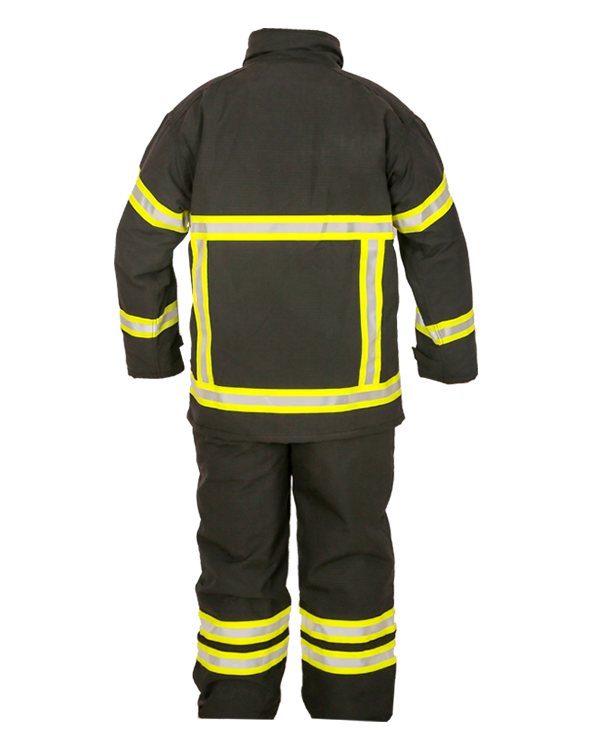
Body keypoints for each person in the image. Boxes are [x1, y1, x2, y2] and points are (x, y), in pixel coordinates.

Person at [115, 27, 477, 722]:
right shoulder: (382, 114)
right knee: (351, 571)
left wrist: (155, 358)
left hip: (234, 402)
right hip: (352, 405)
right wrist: (449, 361)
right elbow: (437, 244)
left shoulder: (199, 116)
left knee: (237, 571)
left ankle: (235, 709)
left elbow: (139, 248)